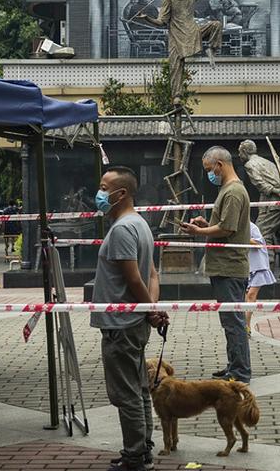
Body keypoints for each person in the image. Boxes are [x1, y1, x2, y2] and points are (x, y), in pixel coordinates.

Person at [91, 165, 168, 471]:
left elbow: (135, 278)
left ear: (120, 193)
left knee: (126, 395)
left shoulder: (123, 229)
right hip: (132, 323)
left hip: (121, 326)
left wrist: (148, 310)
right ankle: (143, 448)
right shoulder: (140, 224)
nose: (98, 193)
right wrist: (150, 309)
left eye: (103, 187)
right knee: (139, 390)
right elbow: (152, 274)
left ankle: (135, 455)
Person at [180, 146, 251, 383]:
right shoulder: (229, 190)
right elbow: (221, 223)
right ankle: (234, 366)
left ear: (219, 165)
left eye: (210, 169)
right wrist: (205, 224)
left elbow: (226, 228)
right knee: (229, 321)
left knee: (234, 322)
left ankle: (240, 371)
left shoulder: (232, 192)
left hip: (229, 266)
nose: (210, 174)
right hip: (225, 266)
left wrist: (200, 231)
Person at [135, 0, 223, 99]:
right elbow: (161, 22)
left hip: (193, 33)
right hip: (176, 37)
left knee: (216, 24)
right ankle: (177, 96)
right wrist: (147, 18)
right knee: (175, 67)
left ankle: (211, 49)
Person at [237, 139, 280, 279]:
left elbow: (260, 183)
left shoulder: (250, 164)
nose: (239, 155)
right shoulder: (268, 162)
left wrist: (275, 191)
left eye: (240, 152)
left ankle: (266, 266)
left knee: (262, 232)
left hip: (271, 201)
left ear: (245, 151)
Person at [244, 221, 276, 335]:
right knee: (245, 297)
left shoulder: (252, 227)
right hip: (246, 267)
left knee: (252, 295)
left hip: (258, 266)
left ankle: (246, 326)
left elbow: (258, 243)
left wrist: (242, 238)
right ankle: (245, 324)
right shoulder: (233, 227)